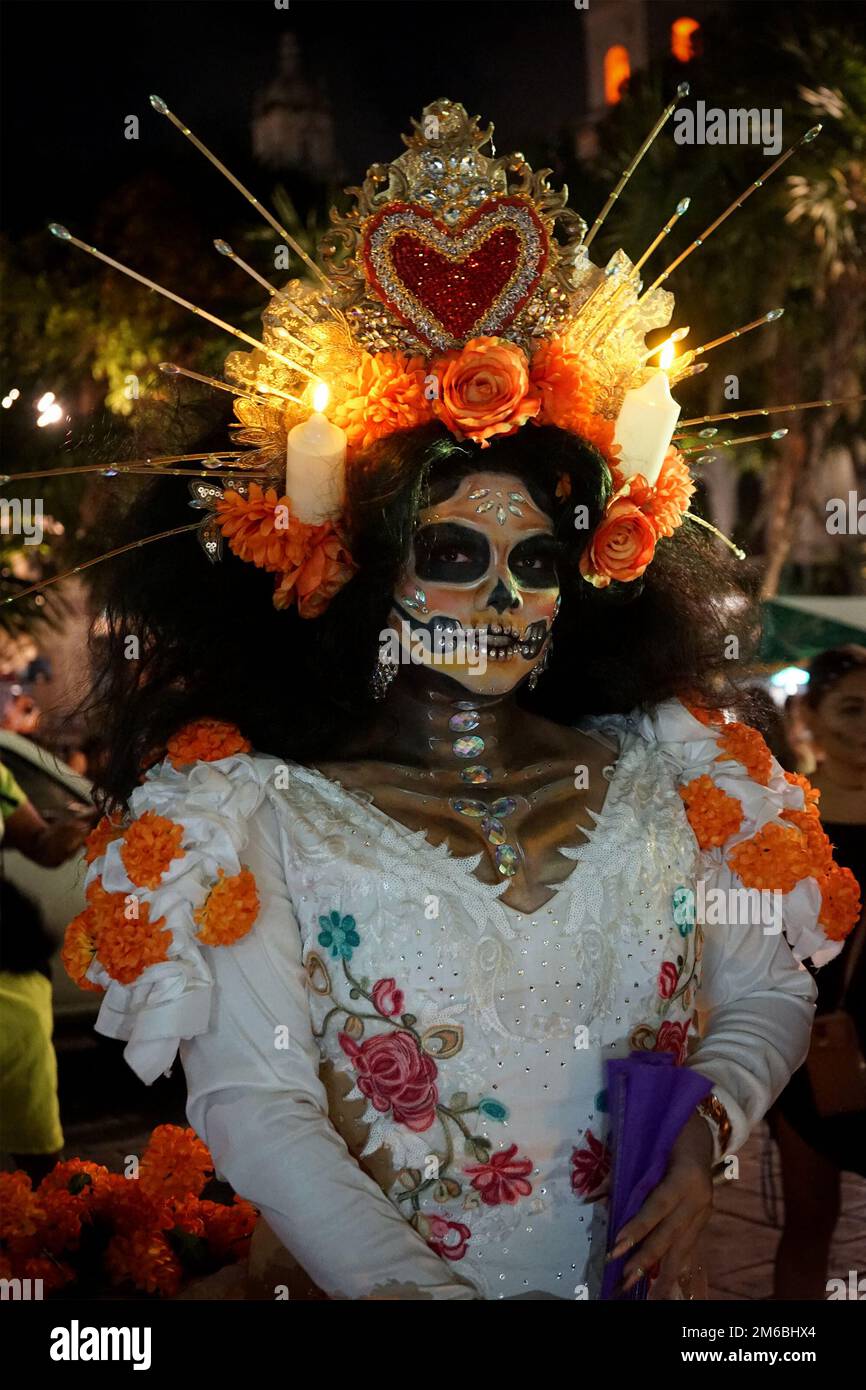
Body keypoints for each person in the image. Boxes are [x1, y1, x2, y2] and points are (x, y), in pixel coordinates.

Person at [55, 100, 857, 1300]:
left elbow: (765, 991)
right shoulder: (259, 814)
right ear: (369, 570)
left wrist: (703, 1127)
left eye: (535, 561)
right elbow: (252, 1097)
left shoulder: (674, 776)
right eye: (450, 553)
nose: (499, 593)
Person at [770, 645, 866, 1300]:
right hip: (808, 1041)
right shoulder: (784, 818)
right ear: (810, 715)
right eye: (851, 709)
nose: (865, 727)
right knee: (809, 1218)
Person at [0, 758, 90, 1181]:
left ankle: (46, 1230)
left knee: (36, 1144)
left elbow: (40, 843)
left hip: (9, 978)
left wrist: (84, 826)